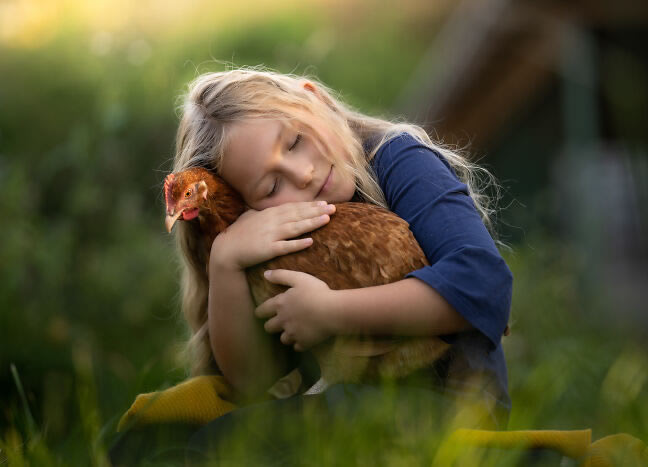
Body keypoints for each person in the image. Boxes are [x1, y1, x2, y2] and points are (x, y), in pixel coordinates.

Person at [171, 68, 513, 461]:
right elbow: (253, 382)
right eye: (271, 186)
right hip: (345, 402)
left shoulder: (399, 160)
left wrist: (329, 313)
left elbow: (485, 285)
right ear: (248, 207)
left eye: (296, 141)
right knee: (195, 438)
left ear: (316, 99)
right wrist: (226, 260)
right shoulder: (276, 236)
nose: (304, 174)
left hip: (453, 407)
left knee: (219, 444)